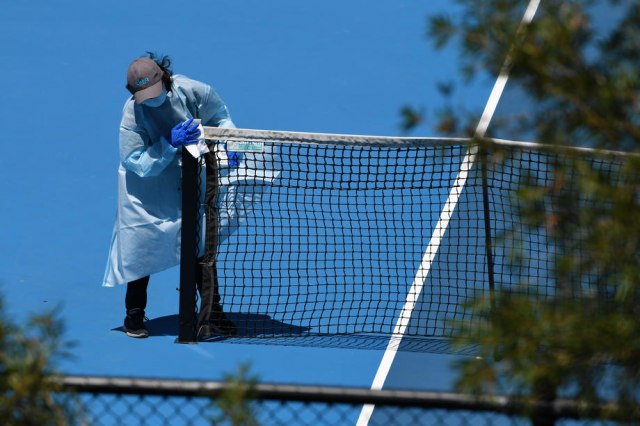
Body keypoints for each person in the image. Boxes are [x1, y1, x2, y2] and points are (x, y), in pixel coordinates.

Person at [102, 53, 239, 340]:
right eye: (144, 96)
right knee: (140, 250)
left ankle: (213, 312)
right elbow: (135, 161)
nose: (150, 99)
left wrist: (231, 142)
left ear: (164, 78)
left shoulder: (194, 91)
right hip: (146, 192)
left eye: (154, 91)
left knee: (200, 246)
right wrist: (168, 144)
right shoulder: (132, 113)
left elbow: (220, 117)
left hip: (191, 180)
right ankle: (134, 314)